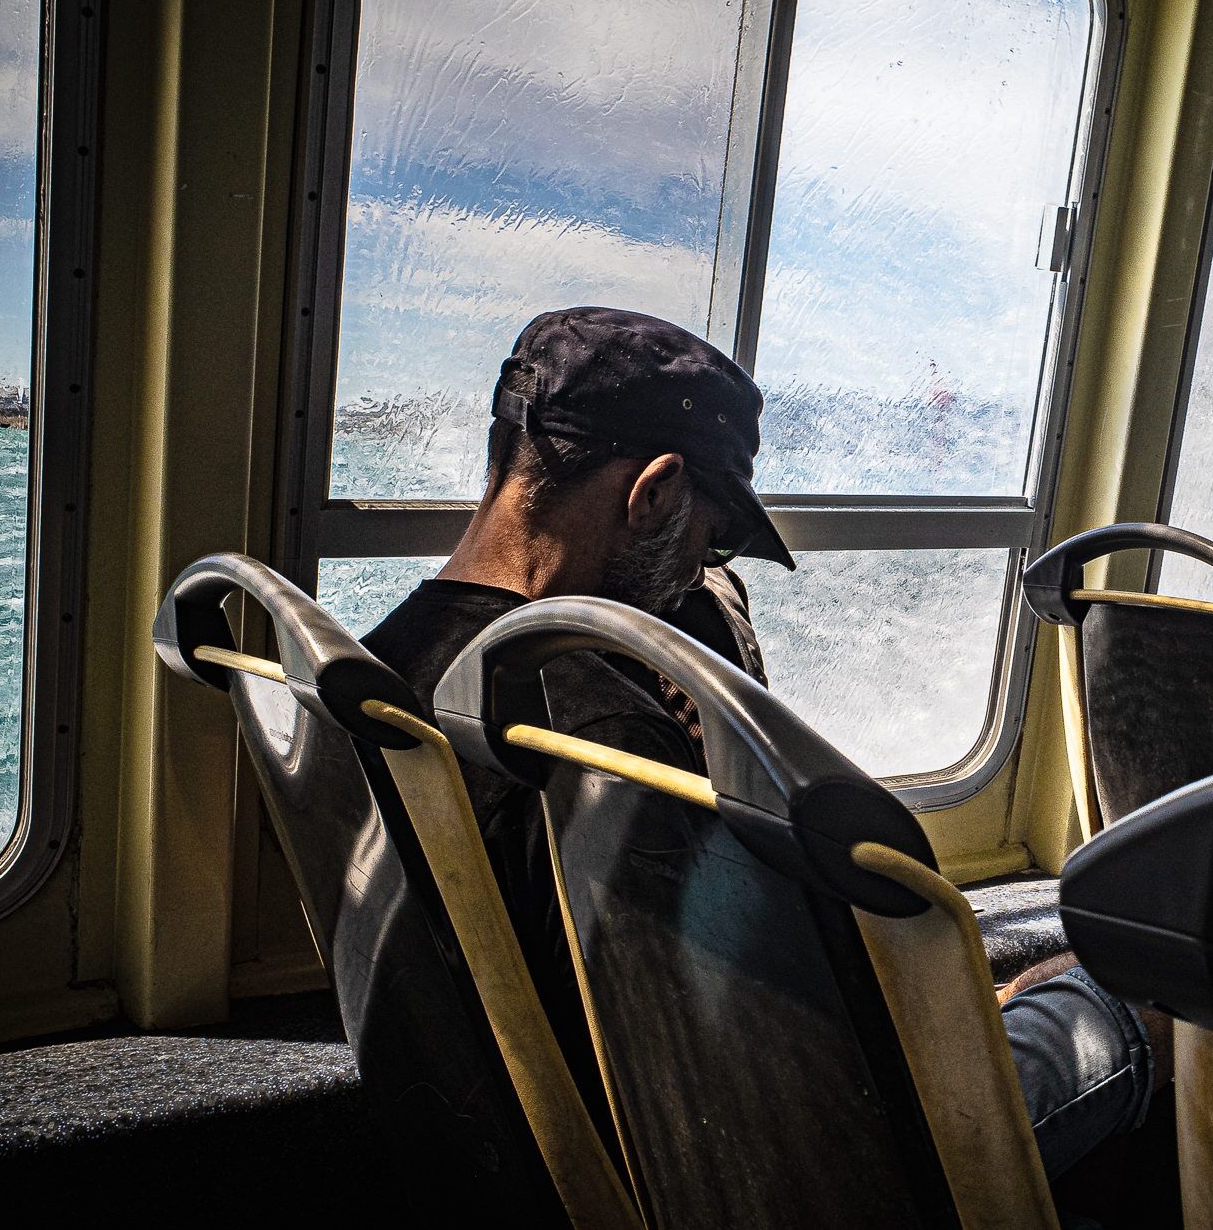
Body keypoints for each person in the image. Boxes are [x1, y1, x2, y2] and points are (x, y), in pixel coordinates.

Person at [361, 306, 1164, 1183]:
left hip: (534, 1151)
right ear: (654, 492)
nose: (704, 570)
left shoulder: (380, 667)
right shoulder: (604, 747)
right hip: (773, 1168)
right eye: (713, 535)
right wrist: (937, 1032)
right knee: (1144, 999)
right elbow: (745, 1070)